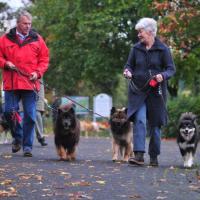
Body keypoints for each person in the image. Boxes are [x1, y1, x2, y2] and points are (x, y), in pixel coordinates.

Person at [123, 18, 175, 166]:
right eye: (138, 32)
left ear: (150, 32)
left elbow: (171, 69)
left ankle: (154, 156)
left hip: (156, 92)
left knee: (155, 125)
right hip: (138, 91)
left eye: (141, 31)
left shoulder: (163, 49)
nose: (139, 35)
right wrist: (127, 71)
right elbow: (128, 65)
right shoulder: (135, 49)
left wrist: (162, 76)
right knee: (139, 120)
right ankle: (138, 155)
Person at [0, 11, 49, 157]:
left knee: (31, 116)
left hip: (30, 83)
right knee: (9, 112)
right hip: (12, 83)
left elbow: (44, 59)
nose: (28, 26)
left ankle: (27, 147)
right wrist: (5, 63)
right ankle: (18, 136)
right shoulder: (5, 39)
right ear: (18, 24)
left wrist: (38, 73)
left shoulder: (37, 39)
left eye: (29, 24)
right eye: (24, 24)